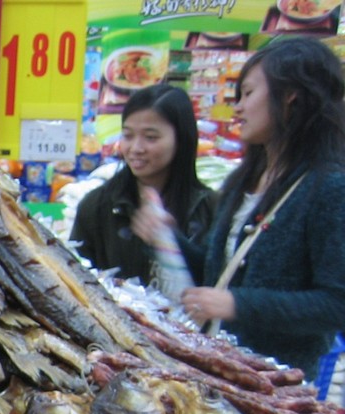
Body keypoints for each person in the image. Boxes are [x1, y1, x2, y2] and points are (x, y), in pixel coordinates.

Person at [135, 37, 345, 376]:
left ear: (290, 96)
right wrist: (168, 239)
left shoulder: (328, 188)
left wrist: (237, 304)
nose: (238, 108)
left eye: (248, 94)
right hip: (219, 371)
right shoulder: (242, 181)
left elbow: (336, 303)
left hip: (274, 386)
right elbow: (220, 274)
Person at [71, 84, 214, 284]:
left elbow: (217, 281)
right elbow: (74, 278)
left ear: (182, 139)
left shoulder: (210, 209)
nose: (136, 148)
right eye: (128, 135)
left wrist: (174, 243)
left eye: (150, 137)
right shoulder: (96, 206)